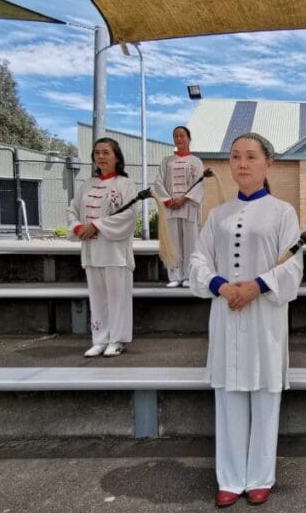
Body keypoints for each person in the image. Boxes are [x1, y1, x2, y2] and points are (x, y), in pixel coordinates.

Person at [188, 132, 303, 507]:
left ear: (268, 163)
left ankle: (259, 476)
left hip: (265, 316)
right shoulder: (217, 215)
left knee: (265, 395)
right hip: (226, 315)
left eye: (251, 157)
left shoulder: (283, 212)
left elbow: (294, 264)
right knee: (230, 395)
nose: (242, 163)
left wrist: (257, 286)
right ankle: (230, 477)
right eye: (236, 156)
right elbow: (198, 261)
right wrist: (221, 285)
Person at [67, 137, 139, 358]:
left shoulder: (126, 184)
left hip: (115, 252)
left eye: (106, 152)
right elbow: (72, 210)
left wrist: (97, 225)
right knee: (97, 297)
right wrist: (78, 227)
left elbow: (129, 216)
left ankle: (117, 340)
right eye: (97, 152)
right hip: (91, 251)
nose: (101, 156)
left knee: (118, 298)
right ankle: (99, 339)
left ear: (116, 157)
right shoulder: (87, 185)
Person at [153, 125, 205, 287]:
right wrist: (167, 200)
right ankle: (174, 276)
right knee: (172, 242)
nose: (179, 139)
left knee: (191, 241)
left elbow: (200, 184)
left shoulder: (196, 161)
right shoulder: (166, 161)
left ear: (189, 139)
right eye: (176, 136)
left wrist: (185, 198)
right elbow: (158, 182)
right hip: (170, 208)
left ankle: (189, 276)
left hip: (189, 206)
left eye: (182, 136)